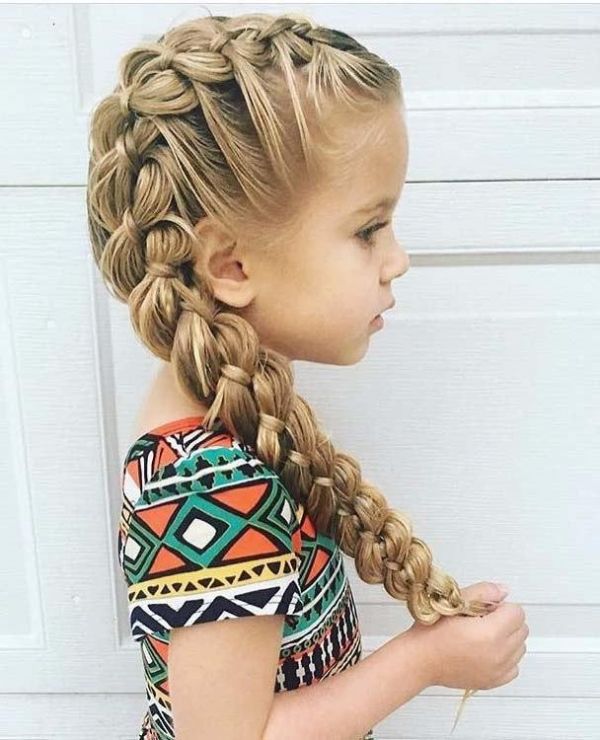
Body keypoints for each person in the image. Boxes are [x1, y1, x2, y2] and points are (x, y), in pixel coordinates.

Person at [86, 11, 529, 740]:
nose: (397, 259)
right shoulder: (214, 482)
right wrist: (425, 660)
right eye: (368, 229)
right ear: (231, 265)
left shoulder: (223, 426)